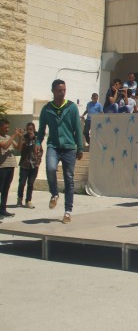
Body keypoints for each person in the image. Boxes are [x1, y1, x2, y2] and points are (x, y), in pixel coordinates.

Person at [36, 79, 84, 224]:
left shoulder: (72, 107)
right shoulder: (47, 109)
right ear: (53, 91)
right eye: (59, 90)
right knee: (50, 168)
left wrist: (80, 147)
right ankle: (54, 193)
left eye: (64, 90)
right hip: (53, 146)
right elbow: (41, 129)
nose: (62, 93)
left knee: (69, 178)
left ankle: (68, 211)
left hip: (69, 147)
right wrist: (38, 142)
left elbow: (77, 128)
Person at [0, 119, 22, 218]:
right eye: (5, 127)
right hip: (2, 167)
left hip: (10, 166)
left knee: (5, 189)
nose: (7, 129)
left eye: (8, 127)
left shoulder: (8, 137)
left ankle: (3, 210)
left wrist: (20, 137)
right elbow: (5, 146)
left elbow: (18, 148)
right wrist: (14, 135)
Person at [17, 122, 42, 209]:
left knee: (30, 183)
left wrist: (38, 163)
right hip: (25, 164)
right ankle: (20, 197)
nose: (29, 131)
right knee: (22, 183)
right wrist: (23, 138)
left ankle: (28, 200)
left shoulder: (37, 139)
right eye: (28, 129)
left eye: (31, 129)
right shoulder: (24, 138)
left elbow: (40, 151)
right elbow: (21, 148)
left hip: (34, 165)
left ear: (34, 129)